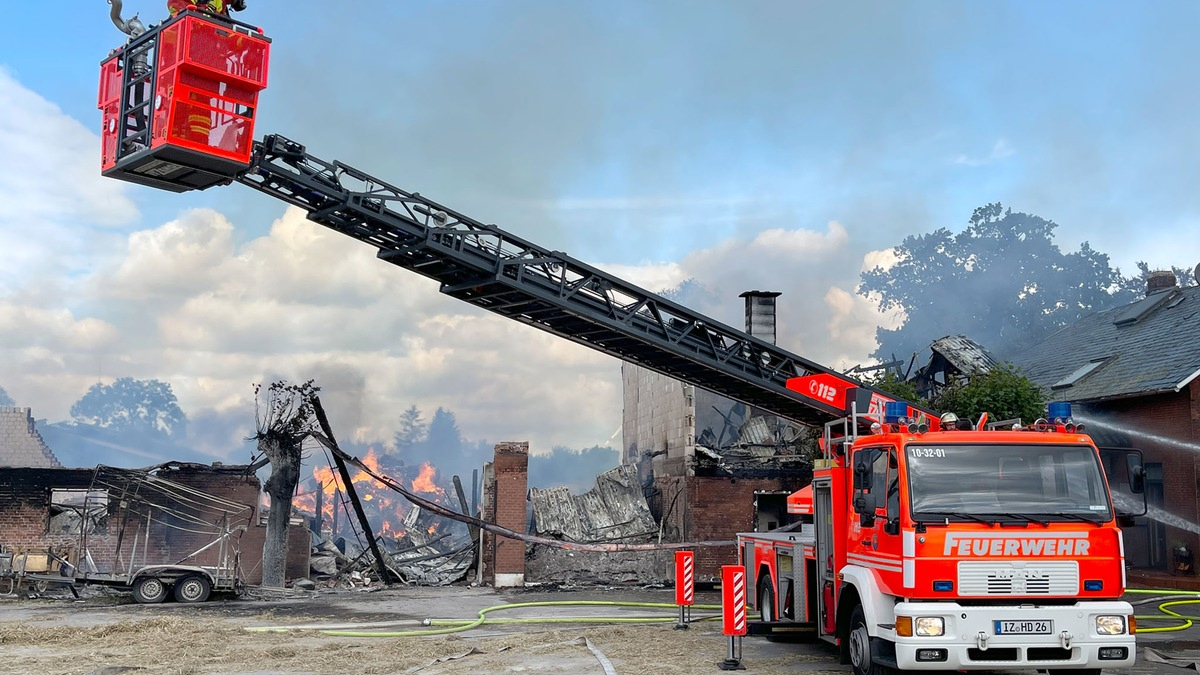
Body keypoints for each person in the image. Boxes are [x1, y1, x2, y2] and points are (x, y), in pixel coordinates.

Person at [167, 0, 247, 17]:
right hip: (186, 42)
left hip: (208, 50)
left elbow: (230, 33)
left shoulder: (223, 10)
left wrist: (243, 42)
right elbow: (175, 3)